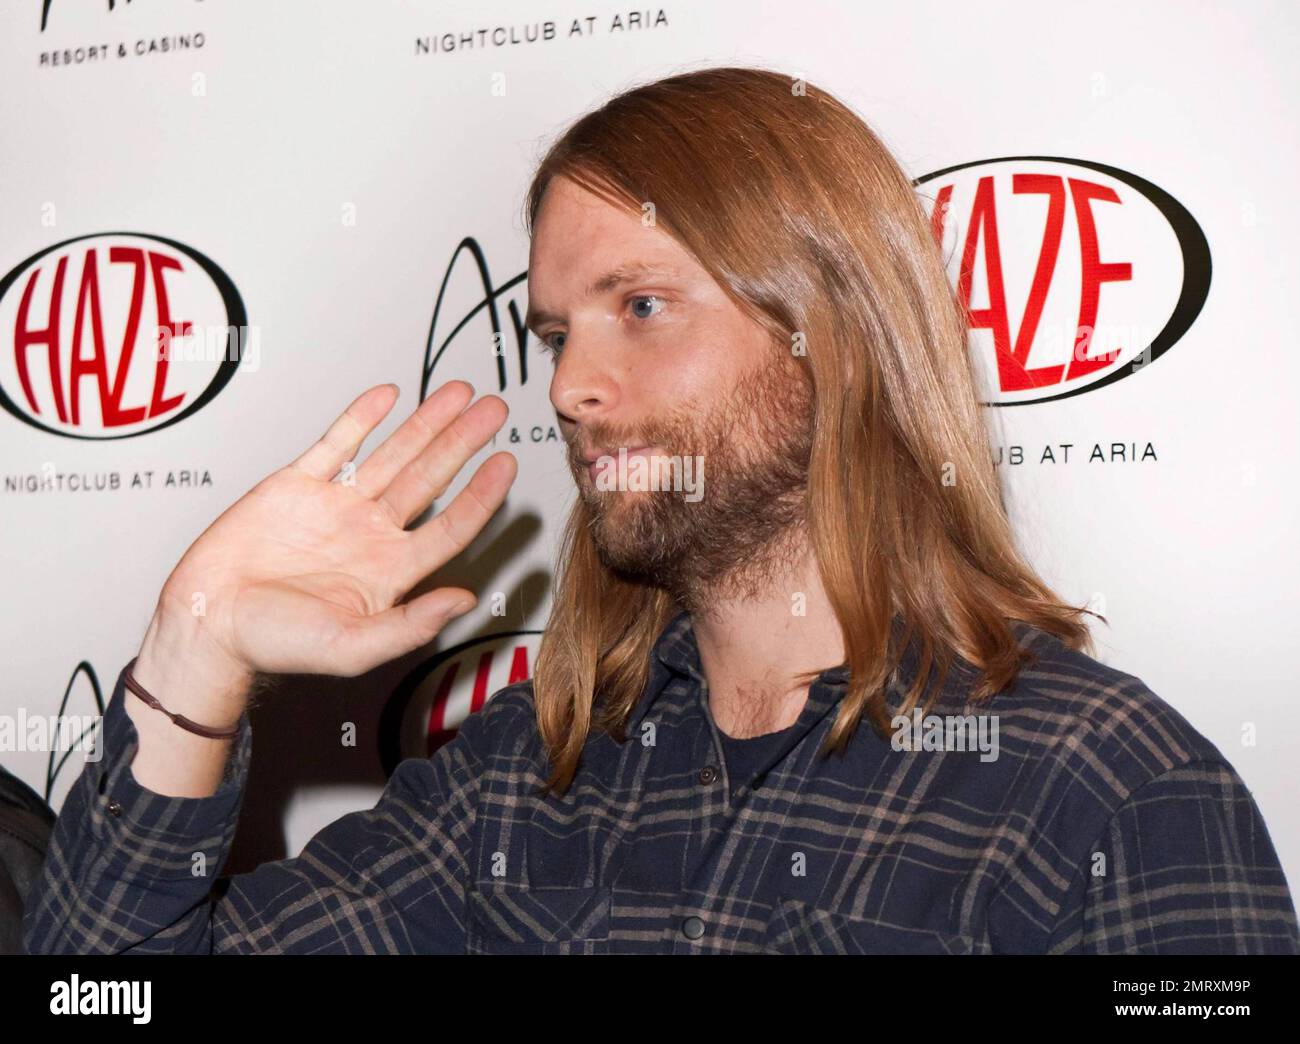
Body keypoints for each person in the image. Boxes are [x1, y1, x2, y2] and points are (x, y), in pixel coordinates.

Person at [24, 66, 1299, 954]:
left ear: (832, 333)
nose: (573, 388)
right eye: (556, 333)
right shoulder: (520, 782)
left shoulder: (1107, 792)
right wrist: (197, 644)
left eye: (640, 306)